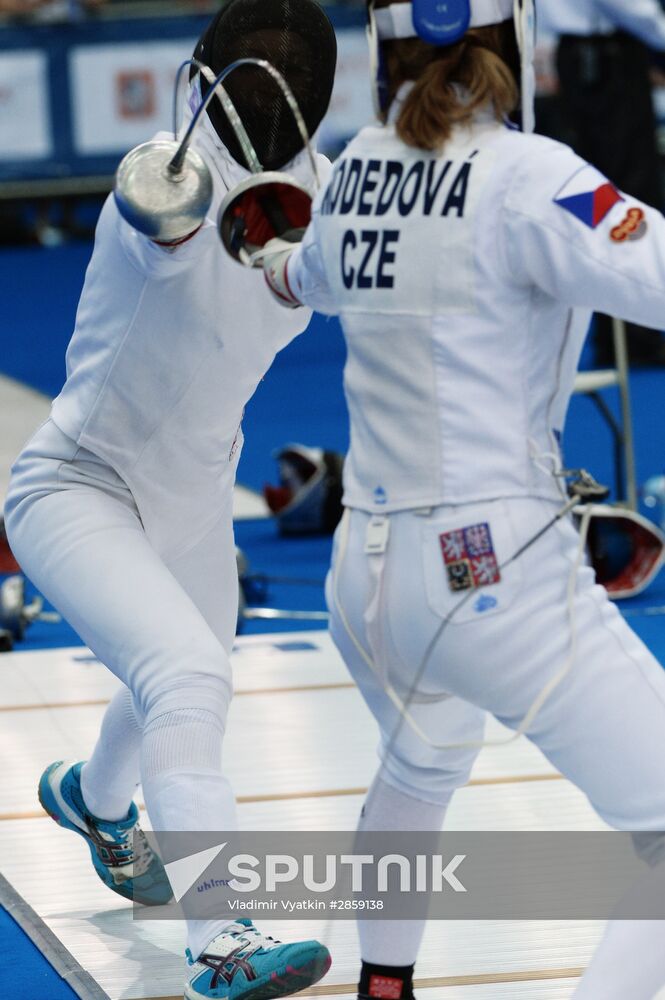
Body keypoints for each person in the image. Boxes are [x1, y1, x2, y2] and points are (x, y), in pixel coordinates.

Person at [253, 0, 665, 996]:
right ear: (510, 43)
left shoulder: (353, 164)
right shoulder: (532, 176)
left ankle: (380, 986)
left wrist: (253, 244)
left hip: (363, 582)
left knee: (421, 755)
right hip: (489, 573)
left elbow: (289, 278)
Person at [3, 2, 337, 998]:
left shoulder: (313, 185)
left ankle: (96, 800)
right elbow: (176, 215)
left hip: (192, 488)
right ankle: (218, 933)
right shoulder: (161, 183)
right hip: (79, 487)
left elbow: (303, 274)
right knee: (187, 673)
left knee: (179, 677)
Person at [537, 0, 665, 366]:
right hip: (607, 62)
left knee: (596, 189)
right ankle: (634, 337)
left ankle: (615, 333)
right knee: (625, 191)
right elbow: (630, 6)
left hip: (583, 59)